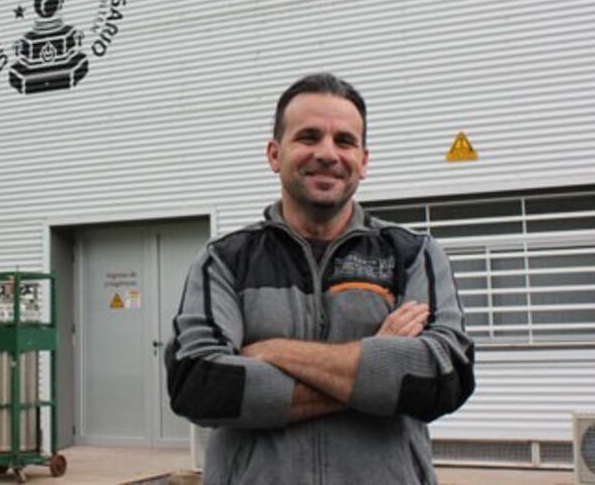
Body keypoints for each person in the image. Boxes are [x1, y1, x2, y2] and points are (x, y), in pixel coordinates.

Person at [165, 73, 475, 484]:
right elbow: (198, 385)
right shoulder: (223, 261)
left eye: (345, 141)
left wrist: (272, 351)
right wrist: (377, 369)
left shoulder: (413, 255)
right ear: (275, 154)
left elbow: (443, 379)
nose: (327, 153)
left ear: (364, 160)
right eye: (308, 137)